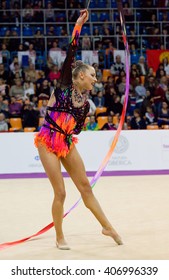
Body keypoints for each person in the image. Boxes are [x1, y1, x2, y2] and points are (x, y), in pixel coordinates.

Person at [34, 9, 122, 250]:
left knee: (85, 186)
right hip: (47, 141)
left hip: (65, 142)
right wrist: (78, 25)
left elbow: (77, 131)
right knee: (60, 192)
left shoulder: (85, 104)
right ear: (80, 75)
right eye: (92, 76)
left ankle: (107, 226)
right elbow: (72, 49)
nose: (96, 80)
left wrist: (78, 121)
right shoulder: (63, 84)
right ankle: (59, 237)